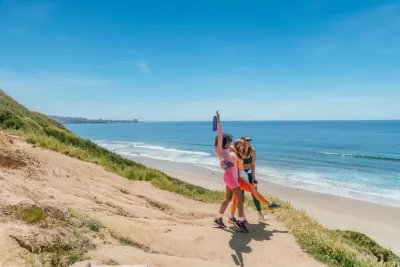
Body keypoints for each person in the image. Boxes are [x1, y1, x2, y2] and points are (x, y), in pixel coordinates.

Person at [227, 139, 281, 224]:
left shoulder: (243, 152)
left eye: (243, 144)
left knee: (238, 197)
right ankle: (269, 204)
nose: (243, 146)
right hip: (238, 179)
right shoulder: (234, 154)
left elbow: (249, 164)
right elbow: (233, 162)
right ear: (238, 145)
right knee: (245, 195)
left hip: (241, 178)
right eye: (242, 144)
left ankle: (231, 217)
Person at [213, 111, 249, 233]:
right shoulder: (220, 150)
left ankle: (218, 218)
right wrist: (218, 120)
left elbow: (232, 159)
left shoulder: (225, 151)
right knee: (241, 197)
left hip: (230, 176)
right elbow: (219, 134)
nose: (230, 143)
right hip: (230, 177)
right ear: (223, 142)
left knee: (228, 198)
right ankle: (240, 221)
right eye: (228, 142)